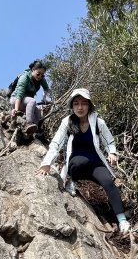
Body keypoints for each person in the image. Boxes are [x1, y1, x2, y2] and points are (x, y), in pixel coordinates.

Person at [36, 88, 131, 233]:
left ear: (89, 105)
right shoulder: (67, 122)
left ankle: (122, 220)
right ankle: (72, 181)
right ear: (72, 106)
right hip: (76, 163)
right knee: (80, 162)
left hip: (95, 163)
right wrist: (46, 164)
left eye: (84, 103)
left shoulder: (98, 122)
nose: (80, 107)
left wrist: (112, 153)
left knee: (109, 183)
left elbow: (109, 141)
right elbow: (56, 143)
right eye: (76, 103)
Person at [10, 60, 50, 135]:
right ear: (33, 70)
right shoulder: (24, 77)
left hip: (27, 101)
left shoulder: (41, 78)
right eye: (38, 74)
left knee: (37, 110)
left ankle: (34, 131)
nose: (40, 76)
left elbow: (46, 88)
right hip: (16, 99)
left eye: (42, 75)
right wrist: (16, 109)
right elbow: (19, 94)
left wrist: (44, 97)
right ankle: (28, 124)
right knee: (32, 101)